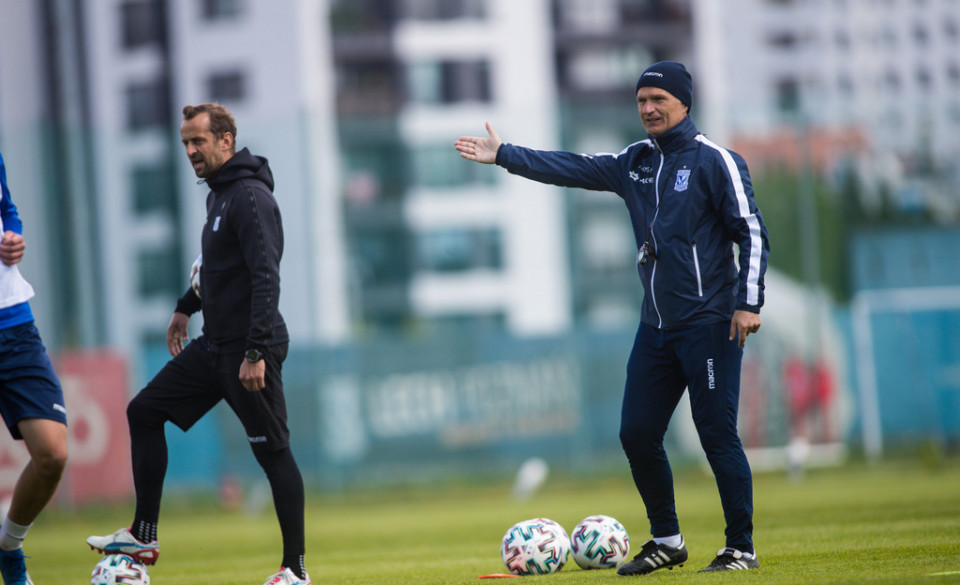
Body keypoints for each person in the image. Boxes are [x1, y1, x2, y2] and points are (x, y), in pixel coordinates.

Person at [455, 61, 769, 574]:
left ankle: (740, 549)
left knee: (716, 435)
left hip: (711, 323)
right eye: (642, 100)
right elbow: (572, 166)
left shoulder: (717, 161)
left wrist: (748, 301)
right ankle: (668, 540)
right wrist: (504, 154)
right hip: (657, 329)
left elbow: (751, 232)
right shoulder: (635, 162)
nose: (647, 108)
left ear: (684, 103)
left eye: (658, 100)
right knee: (636, 433)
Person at [86, 104, 310, 585]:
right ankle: (144, 533)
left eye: (199, 141)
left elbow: (265, 276)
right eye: (185, 142)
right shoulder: (219, 197)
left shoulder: (249, 197)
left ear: (226, 140)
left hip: (252, 348)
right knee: (143, 411)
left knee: (273, 453)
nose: (190, 150)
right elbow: (217, 272)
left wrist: (255, 352)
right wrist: (185, 305)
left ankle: (295, 571)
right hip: (215, 347)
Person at [0, 151, 70, 585]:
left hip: (14, 324)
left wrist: (14, 237)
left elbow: (8, 209)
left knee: (52, 455)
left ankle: (8, 545)